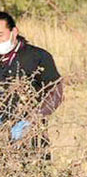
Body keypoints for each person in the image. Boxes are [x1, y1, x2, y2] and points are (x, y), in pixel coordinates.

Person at [0, 11, 63, 154]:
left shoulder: (37, 57)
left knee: (33, 171)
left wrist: (32, 119)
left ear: (14, 32)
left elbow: (56, 92)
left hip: (31, 138)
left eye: (0, 35)